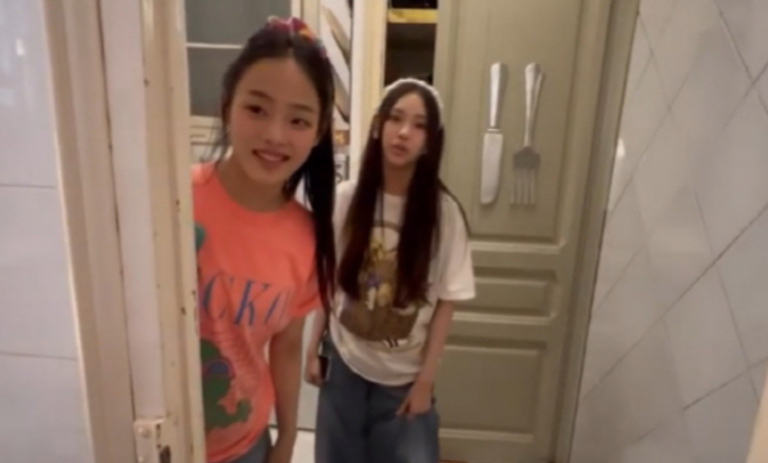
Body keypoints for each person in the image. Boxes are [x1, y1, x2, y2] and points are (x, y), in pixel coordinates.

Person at [306, 78, 476, 463]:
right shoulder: (347, 199)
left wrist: (425, 382)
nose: (403, 133)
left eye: (419, 125)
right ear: (378, 126)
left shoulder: (445, 215)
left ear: (430, 141)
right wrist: (313, 348)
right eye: (396, 119)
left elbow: (447, 303)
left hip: (403, 378)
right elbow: (328, 279)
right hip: (345, 363)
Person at [194, 17, 336, 463]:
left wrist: (288, 437)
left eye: (298, 120)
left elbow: (287, 347)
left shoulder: (307, 239)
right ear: (227, 107)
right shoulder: (172, 202)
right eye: (257, 109)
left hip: (245, 447)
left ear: (318, 132)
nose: (275, 134)